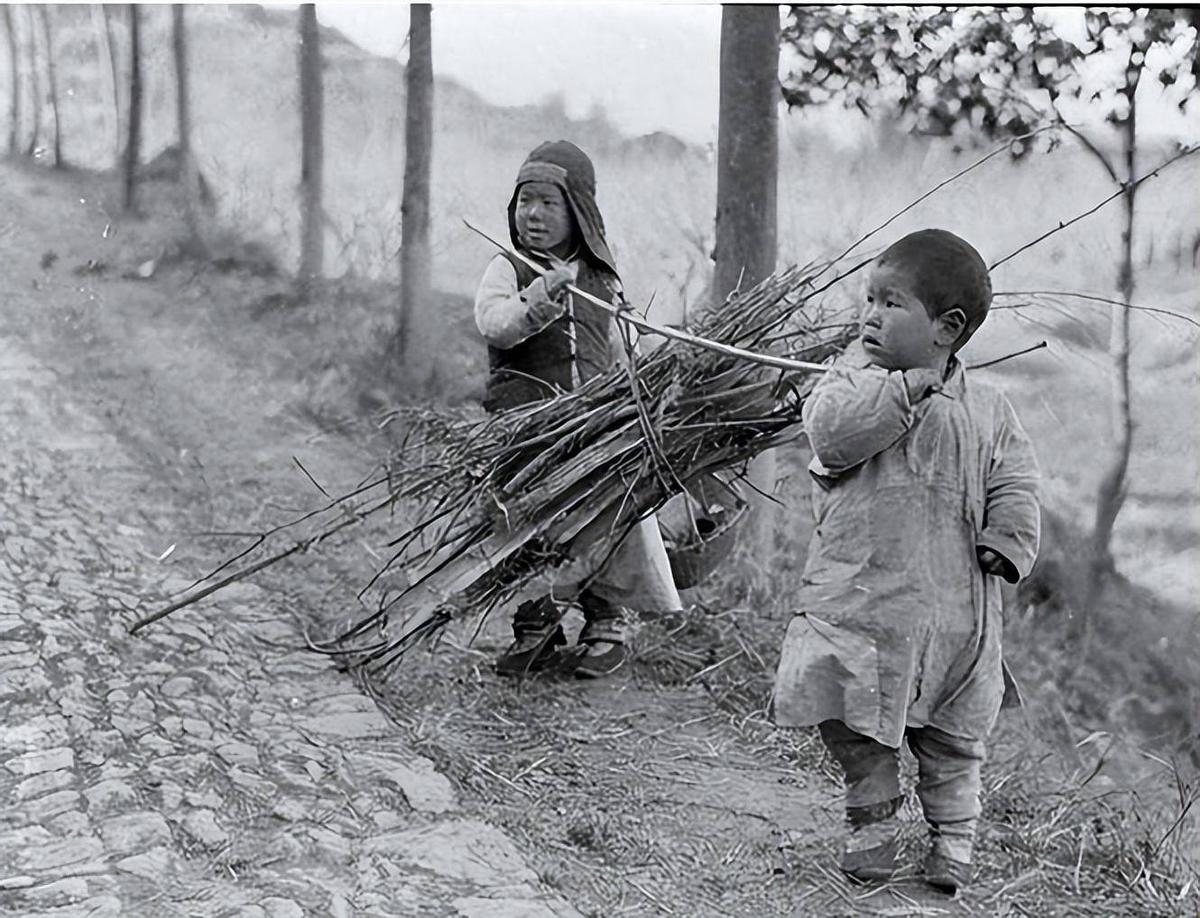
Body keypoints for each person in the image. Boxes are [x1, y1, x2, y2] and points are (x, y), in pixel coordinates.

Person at [772, 229, 1041, 894]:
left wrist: (1008, 537)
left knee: (953, 741)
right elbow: (832, 440)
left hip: (955, 613)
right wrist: (901, 393)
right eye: (868, 297)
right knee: (853, 723)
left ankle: (953, 843)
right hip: (863, 604)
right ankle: (873, 825)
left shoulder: (988, 408)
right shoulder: (849, 384)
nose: (869, 314)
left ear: (947, 328)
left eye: (891, 303)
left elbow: (1018, 480)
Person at [474, 139, 681, 679]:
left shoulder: (601, 281)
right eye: (526, 202)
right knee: (530, 527)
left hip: (591, 432)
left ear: (580, 212)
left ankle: (605, 622)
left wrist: (651, 370)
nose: (533, 215)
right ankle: (536, 627)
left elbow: (620, 352)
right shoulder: (507, 269)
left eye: (549, 203)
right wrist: (538, 298)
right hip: (526, 431)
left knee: (603, 521)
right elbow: (494, 323)